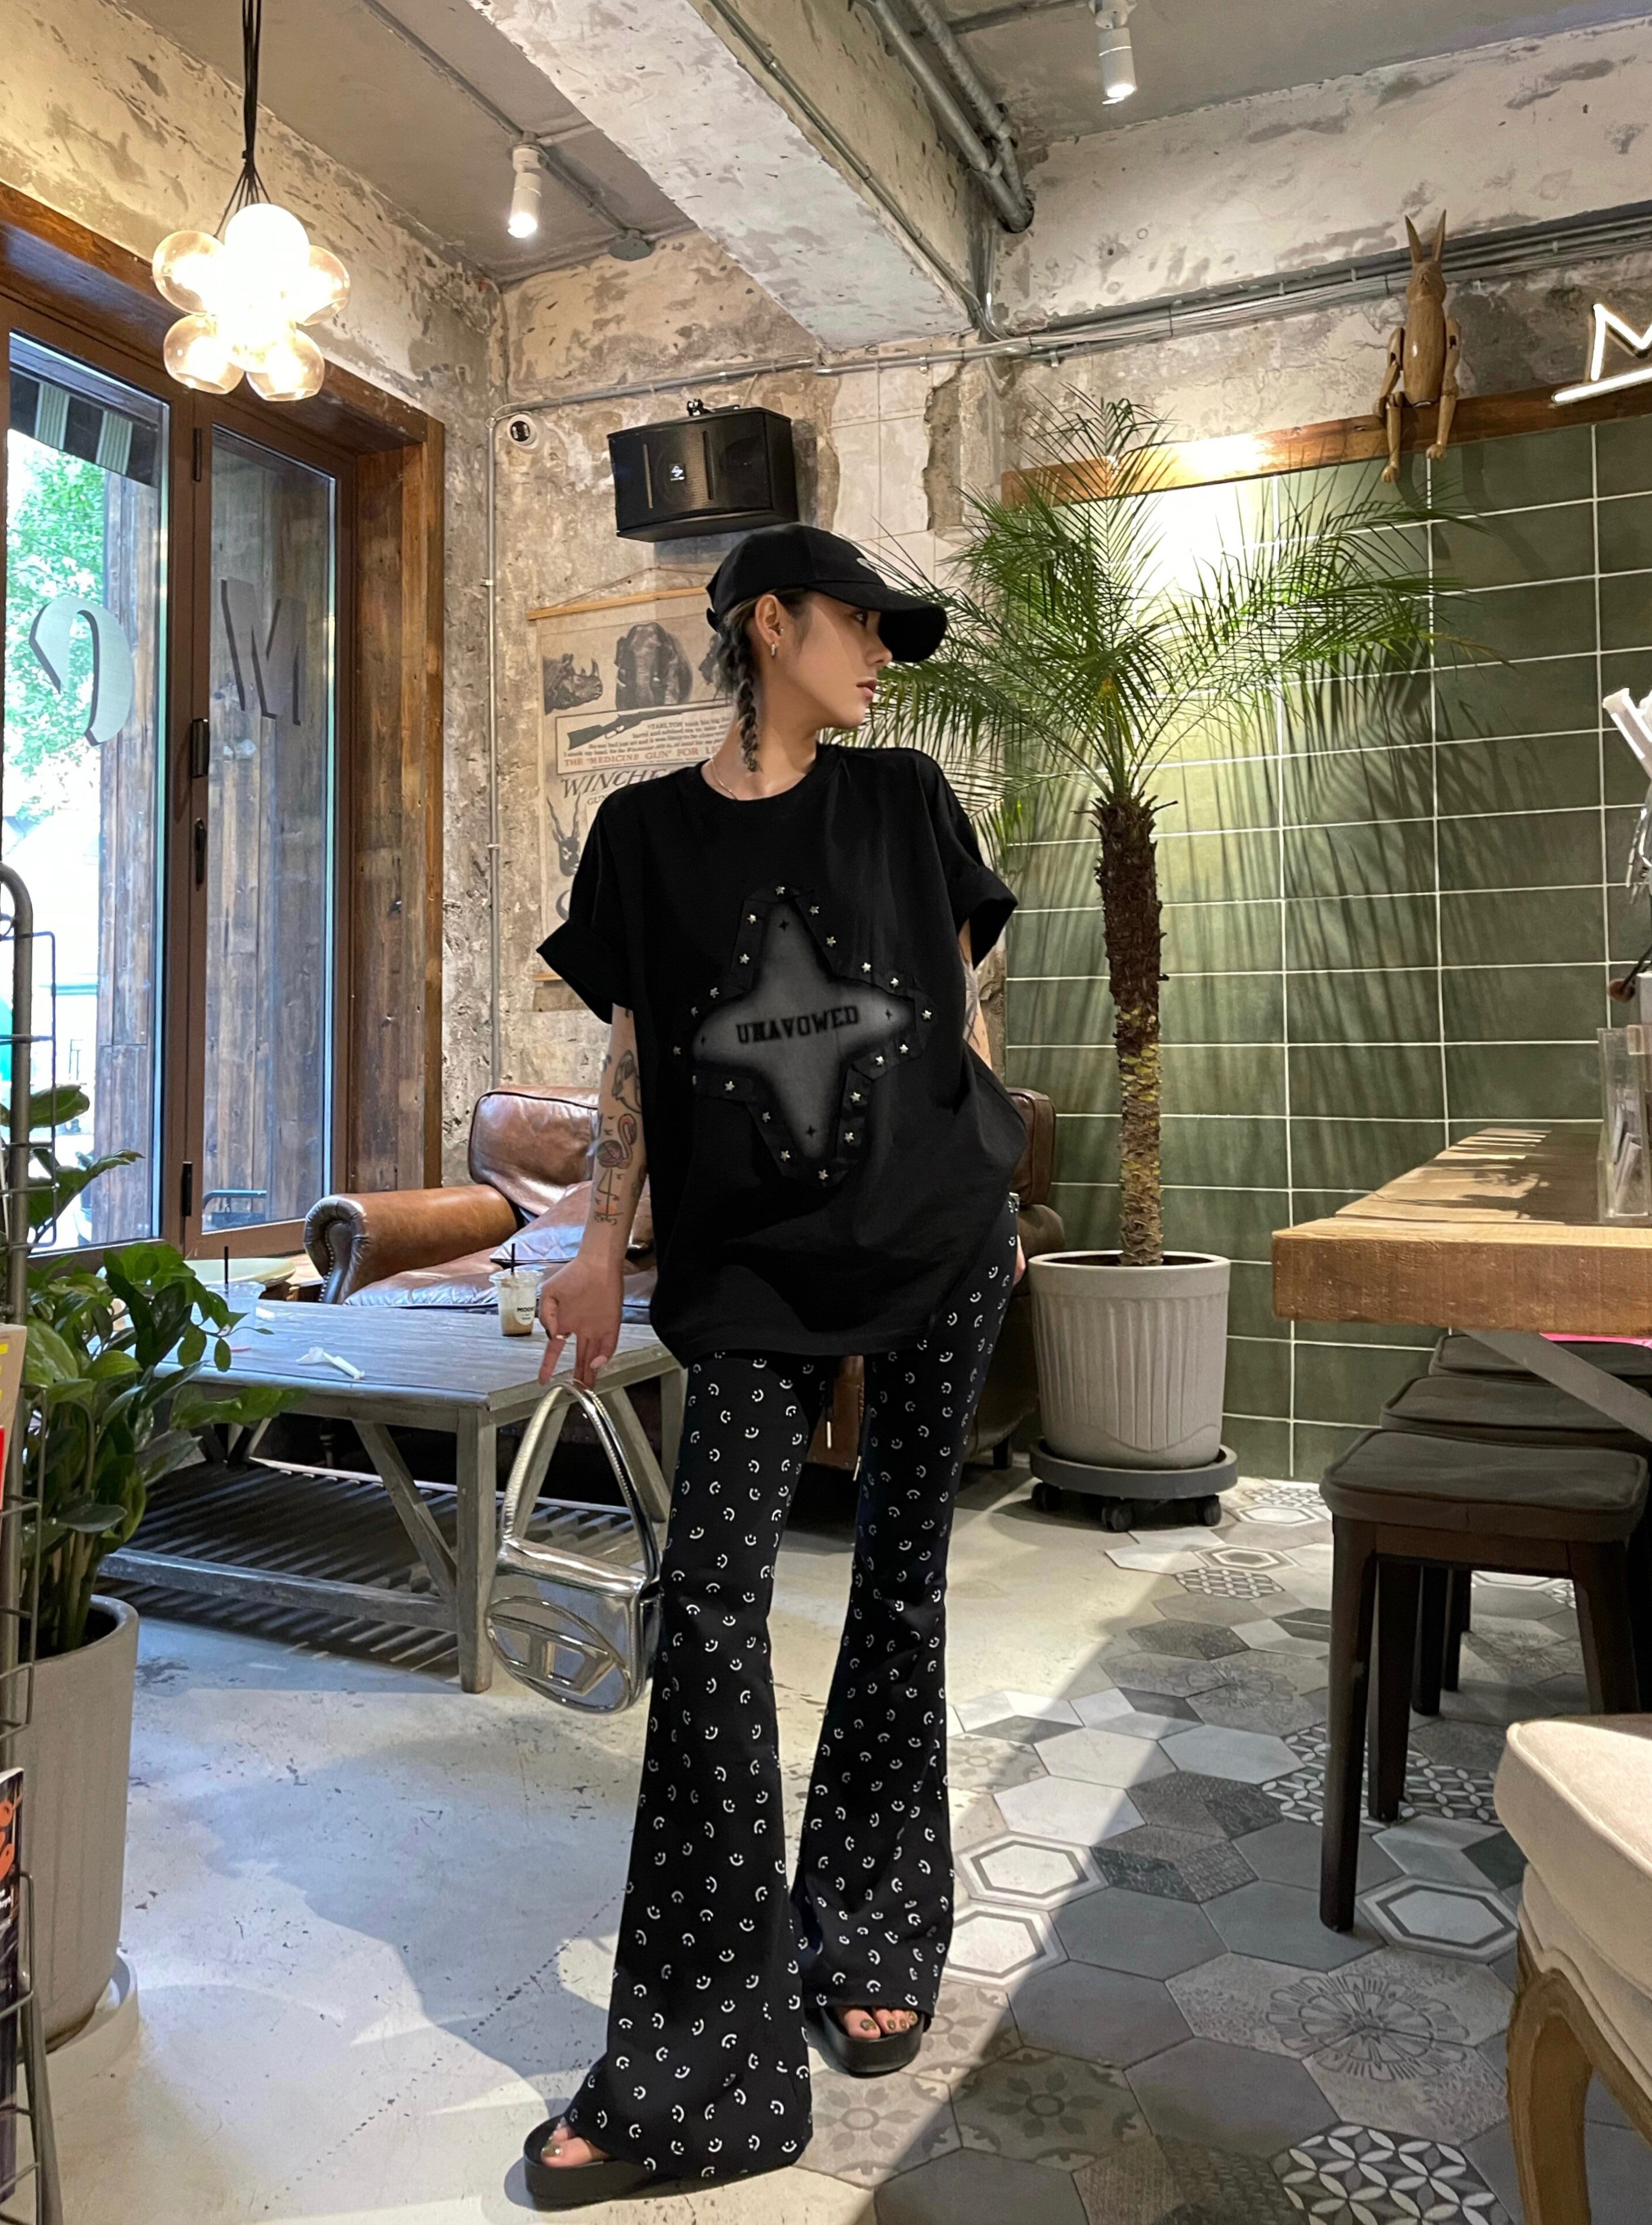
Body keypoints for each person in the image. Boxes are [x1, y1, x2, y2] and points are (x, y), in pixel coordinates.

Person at [523, 522, 1028, 2208]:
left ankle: (871, 1932)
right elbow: (632, 1056)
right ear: (768, 625)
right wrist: (603, 1244)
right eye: (860, 624)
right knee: (714, 1612)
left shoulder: (904, 801)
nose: (881, 654)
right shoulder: (644, 835)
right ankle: (700, 2076)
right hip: (745, 1276)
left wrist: (993, 1164)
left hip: (937, 1244)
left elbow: (962, 1010)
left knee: (901, 1586)